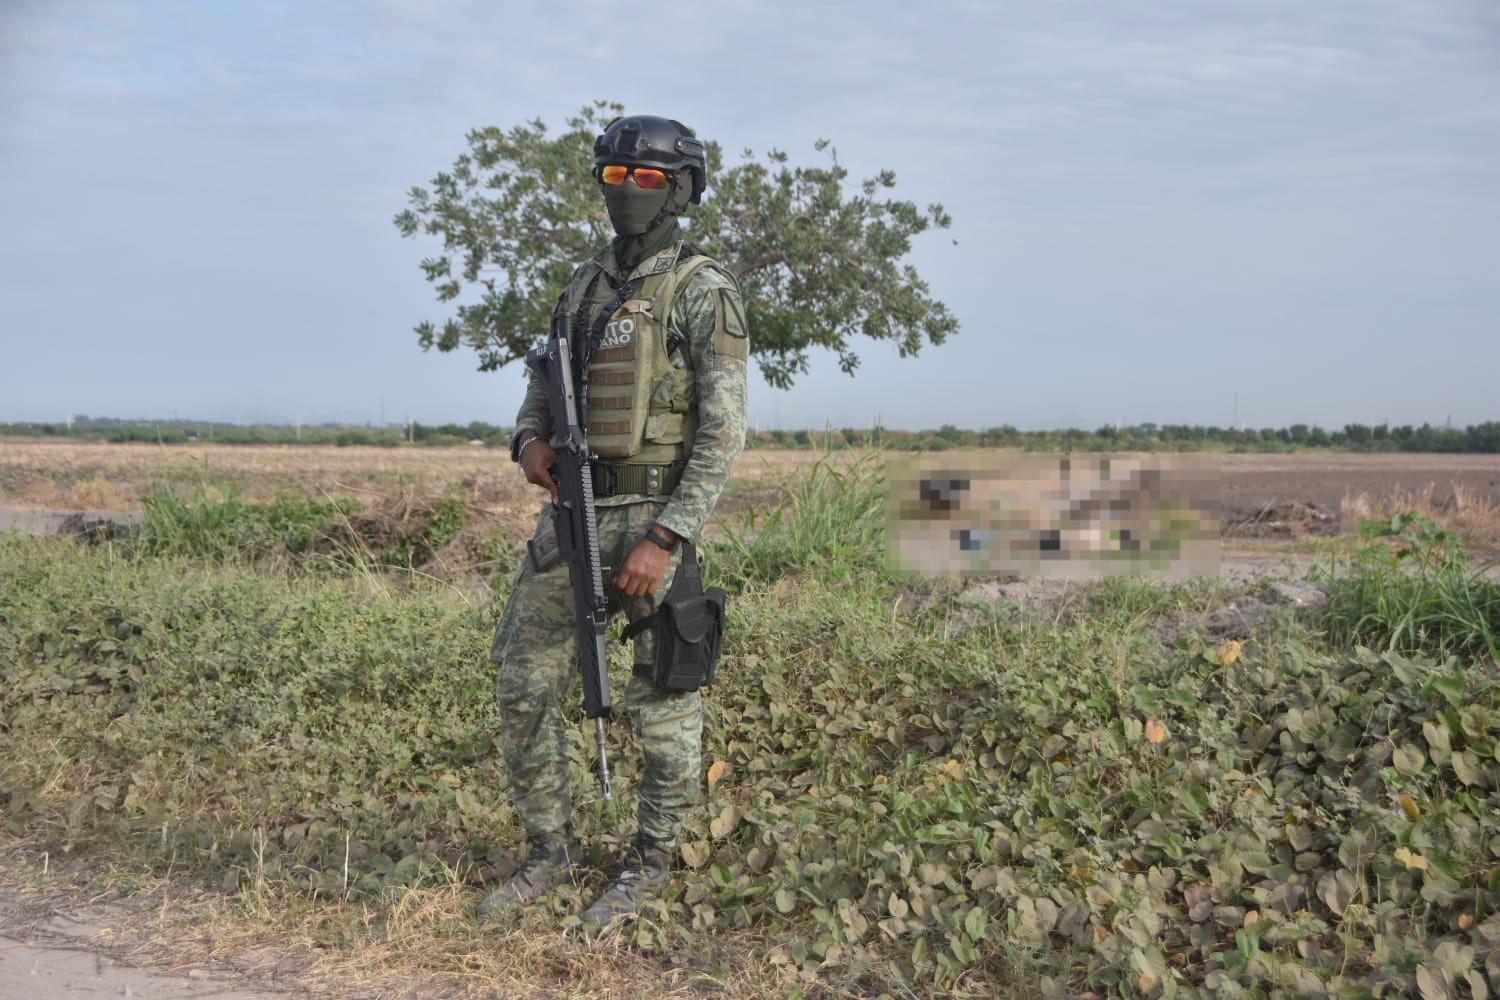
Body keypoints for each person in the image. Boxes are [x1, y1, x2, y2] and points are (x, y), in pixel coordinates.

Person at [479, 114, 749, 929]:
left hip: (649, 523)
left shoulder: (703, 289)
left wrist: (666, 539)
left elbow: (724, 430)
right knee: (523, 680)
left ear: (681, 190)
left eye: (646, 180)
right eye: (614, 178)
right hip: (568, 521)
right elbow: (540, 387)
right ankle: (546, 855)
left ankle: (650, 865)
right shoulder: (582, 284)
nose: (626, 193)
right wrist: (527, 443)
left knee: (665, 702)